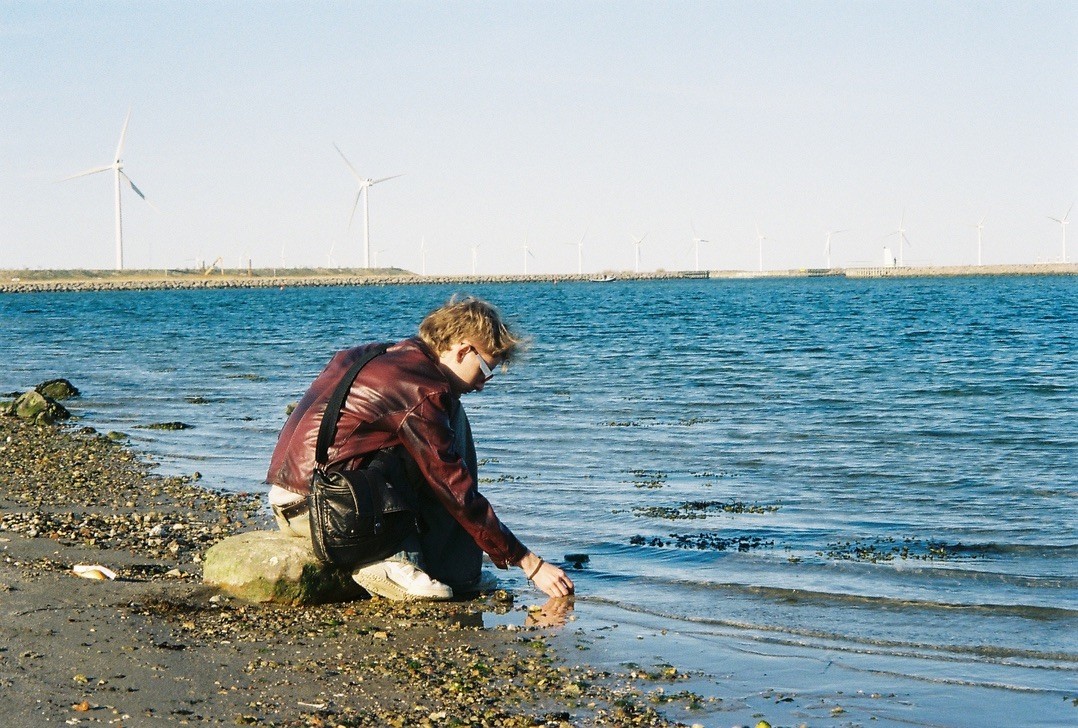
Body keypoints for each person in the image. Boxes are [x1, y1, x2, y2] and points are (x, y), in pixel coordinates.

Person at [265, 295, 575, 602]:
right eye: (484, 369)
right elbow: (454, 488)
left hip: (293, 500)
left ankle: (455, 568)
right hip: (330, 514)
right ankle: (391, 561)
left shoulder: (376, 354)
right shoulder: (421, 389)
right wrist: (529, 562)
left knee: (448, 414)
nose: (483, 383)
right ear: (463, 350)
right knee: (441, 452)